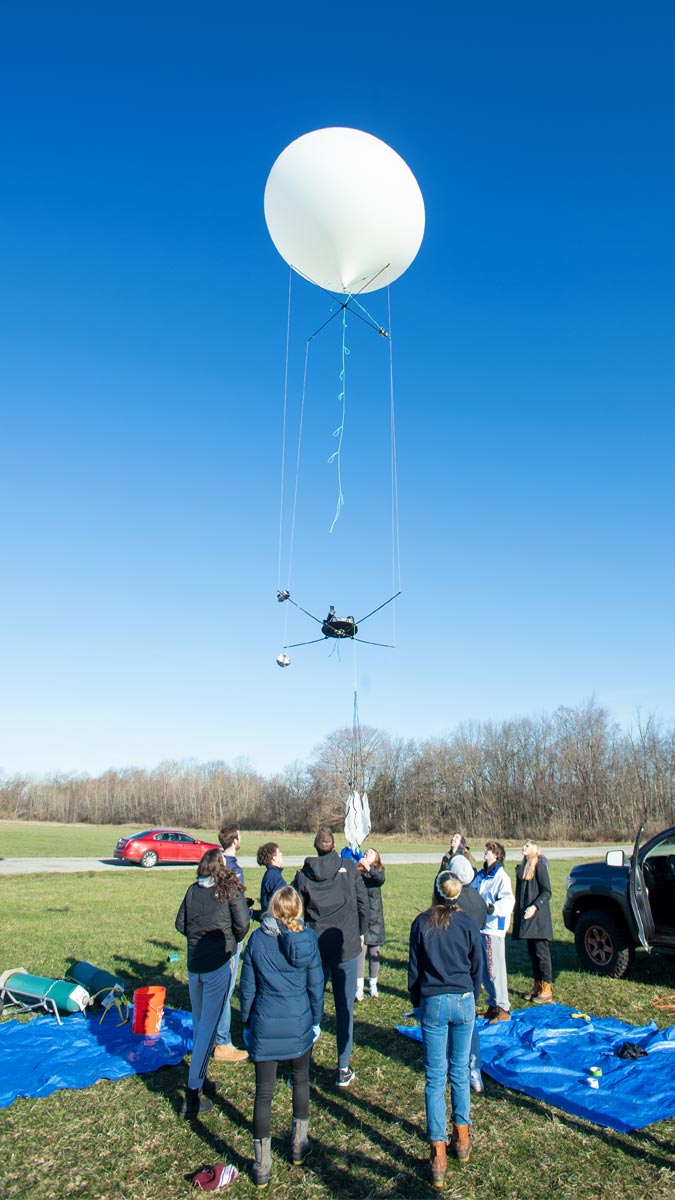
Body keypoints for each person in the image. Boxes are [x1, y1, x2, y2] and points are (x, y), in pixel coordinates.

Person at [239, 887, 324, 1187]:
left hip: (266, 1025)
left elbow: (246, 989)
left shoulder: (257, 941)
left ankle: (262, 1164)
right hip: (298, 1023)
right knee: (300, 1081)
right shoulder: (308, 939)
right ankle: (299, 1145)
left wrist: (246, 1022)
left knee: (264, 1094)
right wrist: (316, 1020)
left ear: (272, 909)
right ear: (297, 910)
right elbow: (317, 985)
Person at [409, 874, 482, 1184]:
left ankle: (439, 1150)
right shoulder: (467, 924)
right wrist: (472, 996)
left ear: (436, 893)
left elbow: (414, 969)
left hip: (434, 1002)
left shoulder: (422, 923)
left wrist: (417, 1002)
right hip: (463, 999)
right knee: (460, 1071)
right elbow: (478, 966)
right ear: (456, 896)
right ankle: (461, 1138)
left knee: (435, 1077)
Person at [175, 848, 250, 1116]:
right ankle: (192, 1096)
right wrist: (228, 941)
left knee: (200, 1024)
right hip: (218, 965)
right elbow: (243, 925)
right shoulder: (229, 890)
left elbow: (181, 925)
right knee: (207, 1028)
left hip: (195, 965)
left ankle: (201, 1076)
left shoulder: (193, 890)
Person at [293, 826, 368, 1087]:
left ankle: (301, 1070)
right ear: (334, 846)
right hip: (344, 945)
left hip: (316, 948)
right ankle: (343, 1067)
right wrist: (362, 931)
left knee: (309, 1007)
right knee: (344, 1008)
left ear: (315, 847)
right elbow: (363, 902)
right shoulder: (347, 868)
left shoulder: (303, 876)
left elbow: (293, 910)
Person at [440, 857, 488, 1093]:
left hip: (451, 972)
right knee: (469, 1026)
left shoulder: (458, 907)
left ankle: (454, 1068)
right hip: (468, 973)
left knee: (451, 1027)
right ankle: (474, 1070)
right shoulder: (478, 898)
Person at [213, 822, 249, 1062]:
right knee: (226, 990)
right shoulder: (233, 869)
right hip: (229, 935)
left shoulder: (213, 866)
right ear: (235, 841)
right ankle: (222, 1042)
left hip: (213, 932)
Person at [471, 841, 515, 1022]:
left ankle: (503, 1007)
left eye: (488, 850)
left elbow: (508, 900)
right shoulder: (481, 875)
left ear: (496, 855)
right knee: (483, 970)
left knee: (494, 968)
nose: (485, 852)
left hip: (493, 928)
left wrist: (493, 909)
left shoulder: (501, 876)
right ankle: (493, 1004)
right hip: (480, 926)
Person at [513, 838, 554, 1003]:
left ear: (535, 849)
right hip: (526, 919)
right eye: (523, 845)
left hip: (538, 918)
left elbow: (547, 892)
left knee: (541, 953)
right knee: (532, 953)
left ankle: (547, 988)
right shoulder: (523, 868)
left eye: (527, 846)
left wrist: (535, 907)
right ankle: (537, 985)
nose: (524, 847)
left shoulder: (540, 866)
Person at [356, 848, 385, 1000]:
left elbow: (380, 879)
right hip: (361, 919)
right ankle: (359, 987)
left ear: (376, 858)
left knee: (374, 953)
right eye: (366, 852)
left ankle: (373, 984)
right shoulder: (358, 872)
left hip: (375, 920)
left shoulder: (378, 871)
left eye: (371, 853)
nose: (367, 854)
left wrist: (369, 868)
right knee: (360, 953)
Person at [257, 842, 286, 913]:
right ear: (273, 858)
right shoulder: (274, 877)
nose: (281, 854)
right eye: (279, 853)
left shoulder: (271, 874)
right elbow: (282, 902)